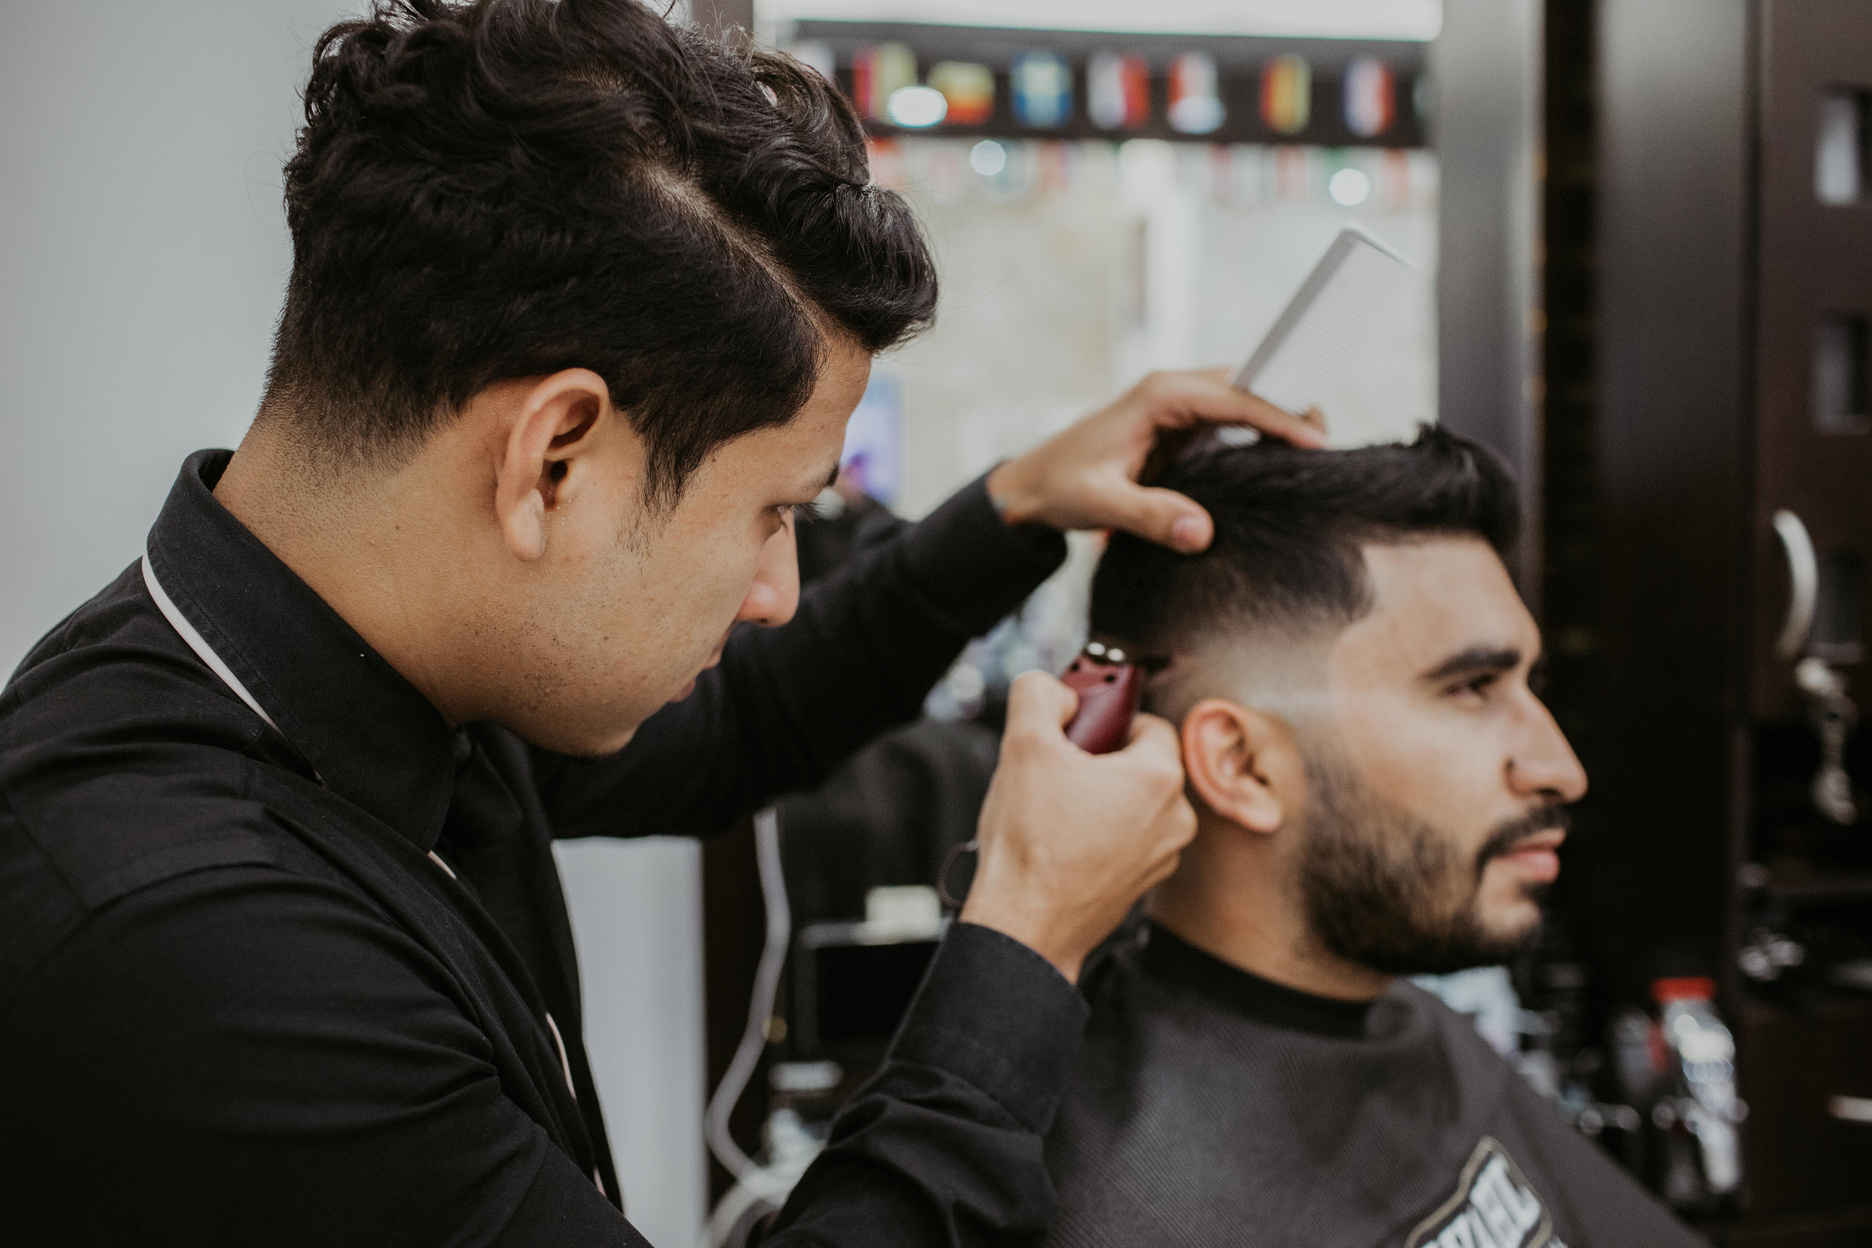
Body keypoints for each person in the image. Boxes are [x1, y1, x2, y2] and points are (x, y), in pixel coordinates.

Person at [0, 3, 1324, 1245]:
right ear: (553, 460)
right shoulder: (203, 955)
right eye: (773, 512)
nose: (778, 590)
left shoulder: (383, 671)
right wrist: (1025, 940)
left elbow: (742, 723)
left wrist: (1020, 505)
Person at [1042, 428, 1707, 1248]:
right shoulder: (1128, 1211)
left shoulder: (1399, 1015)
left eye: (1527, 685)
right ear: (1243, 765)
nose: (1560, 769)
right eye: (1471, 687)